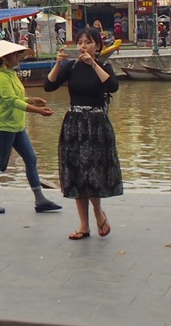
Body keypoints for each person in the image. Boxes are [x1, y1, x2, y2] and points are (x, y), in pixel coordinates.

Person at [42, 28, 122, 240]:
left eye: (88, 42)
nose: (83, 46)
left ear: (97, 46)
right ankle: (84, 225)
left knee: (92, 173)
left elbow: (113, 86)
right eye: (80, 42)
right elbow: (48, 86)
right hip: (75, 124)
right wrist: (58, 64)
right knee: (77, 174)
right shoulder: (71, 66)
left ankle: (98, 212)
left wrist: (93, 64)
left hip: (96, 126)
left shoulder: (103, 66)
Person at [0, 40, 61, 215]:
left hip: (17, 126)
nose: (18, 57)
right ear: (5, 57)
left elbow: (17, 97)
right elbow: (11, 101)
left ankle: (40, 199)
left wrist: (31, 100)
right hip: (4, 126)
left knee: (31, 159)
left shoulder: (11, 74)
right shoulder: (0, 76)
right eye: (15, 55)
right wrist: (37, 111)